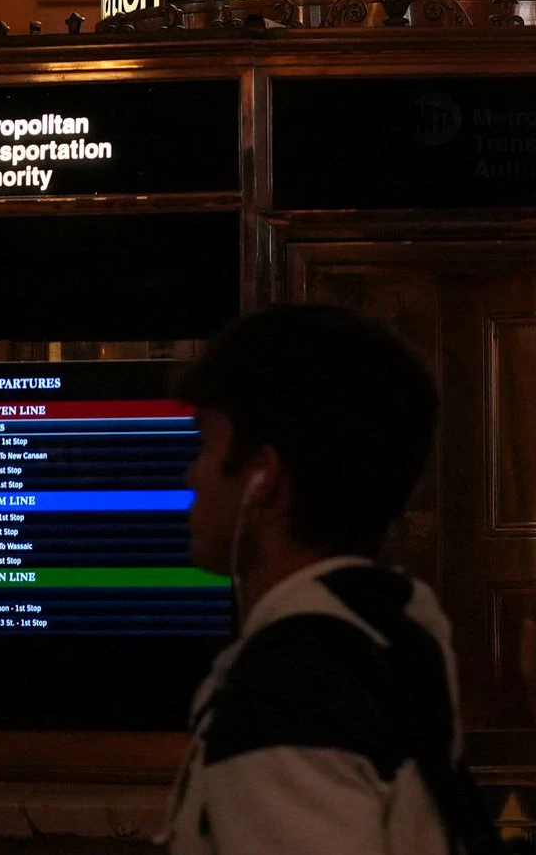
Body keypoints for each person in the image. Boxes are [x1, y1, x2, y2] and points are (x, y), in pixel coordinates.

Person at [167, 303, 476, 855]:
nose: (192, 473)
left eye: (207, 446)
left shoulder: (288, 692)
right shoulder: (394, 632)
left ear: (263, 475)